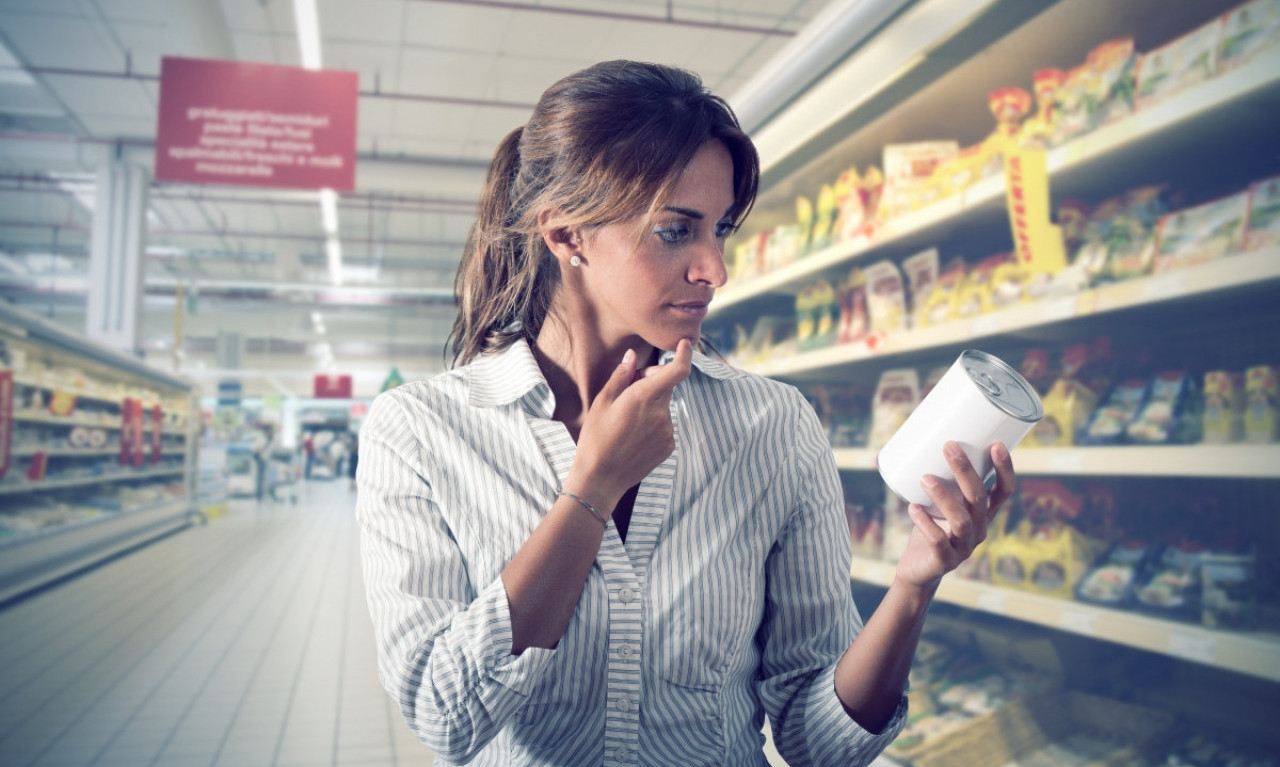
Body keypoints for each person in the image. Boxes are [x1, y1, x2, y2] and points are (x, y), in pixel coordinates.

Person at [355, 60, 1017, 767]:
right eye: (676, 230)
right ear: (566, 235)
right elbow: (444, 716)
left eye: (720, 230)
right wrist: (590, 493)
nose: (715, 270)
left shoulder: (773, 426)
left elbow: (816, 743)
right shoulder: (419, 432)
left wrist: (914, 583)